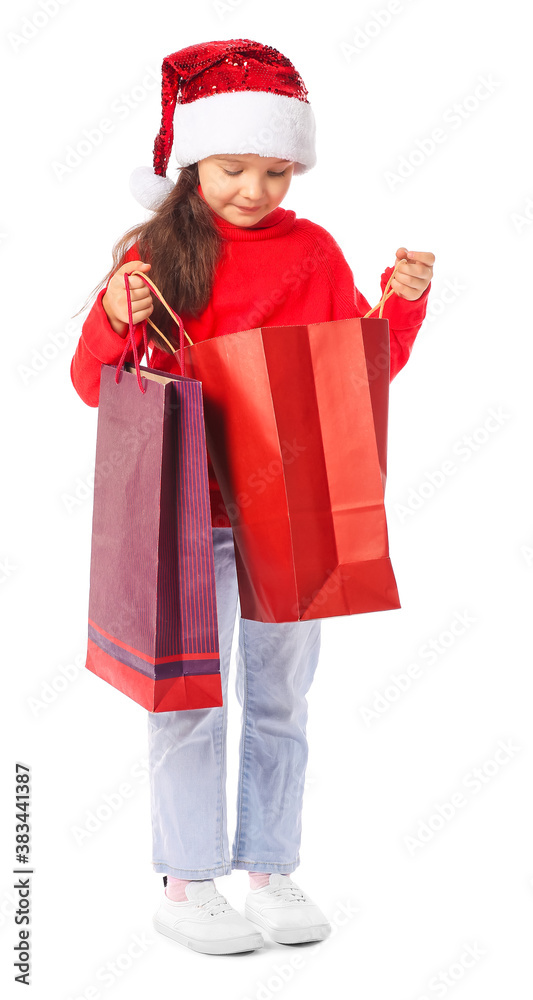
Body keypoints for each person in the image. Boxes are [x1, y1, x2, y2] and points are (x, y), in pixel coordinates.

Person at [70, 38, 435, 957]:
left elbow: (362, 373)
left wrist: (400, 307)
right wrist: (114, 316)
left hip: (290, 508)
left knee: (280, 698)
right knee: (186, 696)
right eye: (233, 168)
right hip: (187, 515)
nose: (255, 190)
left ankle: (269, 870)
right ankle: (187, 882)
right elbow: (92, 385)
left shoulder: (310, 250)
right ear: (193, 161)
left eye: (276, 170)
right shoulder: (158, 250)